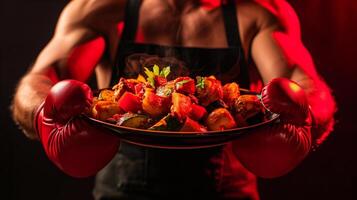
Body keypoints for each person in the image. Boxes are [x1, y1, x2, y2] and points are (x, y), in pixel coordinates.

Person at [11, 0, 336, 199]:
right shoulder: (103, 9)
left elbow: (306, 83)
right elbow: (39, 79)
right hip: (122, 193)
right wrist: (43, 111)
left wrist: (304, 115)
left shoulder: (257, 13)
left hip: (227, 193)